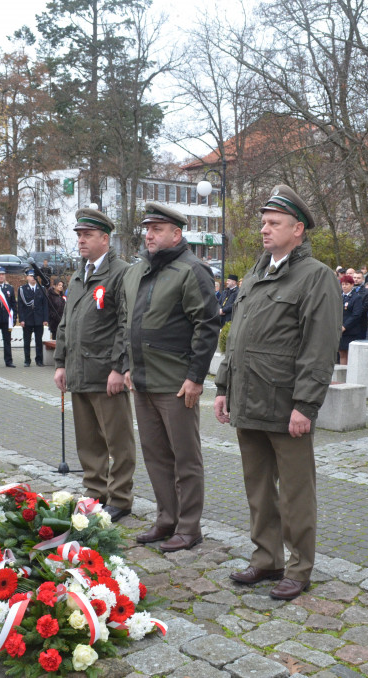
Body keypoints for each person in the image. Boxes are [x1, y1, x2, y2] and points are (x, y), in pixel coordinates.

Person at [214, 185, 340, 601]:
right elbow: (237, 339)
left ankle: (300, 567)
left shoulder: (315, 276)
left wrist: (306, 404)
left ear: (298, 229)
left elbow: (318, 347)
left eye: (274, 223)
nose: (265, 229)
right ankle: (267, 558)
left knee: (296, 492)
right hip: (248, 399)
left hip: (286, 403)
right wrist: (223, 388)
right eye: (263, 222)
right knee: (258, 488)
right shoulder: (256, 273)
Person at [123, 202, 220, 552]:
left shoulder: (192, 270)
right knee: (155, 455)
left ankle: (189, 526)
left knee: (185, 458)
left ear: (176, 234)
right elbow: (126, 323)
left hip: (177, 384)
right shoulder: (136, 272)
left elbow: (207, 325)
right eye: (147, 229)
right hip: (144, 381)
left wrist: (196, 377)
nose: (149, 235)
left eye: (157, 229)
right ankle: (167, 518)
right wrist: (126, 366)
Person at [54, 208, 135, 522]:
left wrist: (119, 367)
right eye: (78, 235)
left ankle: (122, 497)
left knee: (118, 440)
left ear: (105, 238)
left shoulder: (121, 272)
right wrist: (60, 363)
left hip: (106, 374)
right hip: (78, 372)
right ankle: (94, 492)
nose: (81, 241)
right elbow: (66, 323)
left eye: (87, 235)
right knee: (88, 441)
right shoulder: (79, 274)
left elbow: (125, 324)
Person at [17, 269, 50, 367]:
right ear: (27, 277)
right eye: (31, 276)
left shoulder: (42, 288)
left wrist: (45, 319)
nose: (33, 278)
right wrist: (21, 319)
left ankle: (39, 360)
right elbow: (20, 305)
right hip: (27, 319)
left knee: (38, 341)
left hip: (39, 319)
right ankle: (27, 360)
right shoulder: (22, 289)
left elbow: (45, 305)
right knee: (27, 341)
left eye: (34, 276)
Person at [0, 267, 16, 368]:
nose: (1, 276)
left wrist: (14, 318)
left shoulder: (9, 288)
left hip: (6, 319)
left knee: (7, 341)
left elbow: (13, 304)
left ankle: (8, 361)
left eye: (3, 274)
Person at [339, 274, 368, 364]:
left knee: (350, 355)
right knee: (341, 354)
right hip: (339, 329)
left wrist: (345, 326)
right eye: (343, 284)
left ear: (352, 285)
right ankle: (342, 376)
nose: (344, 286)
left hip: (350, 331)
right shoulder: (339, 296)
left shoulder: (356, 297)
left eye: (346, 284)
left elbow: (356, 314)